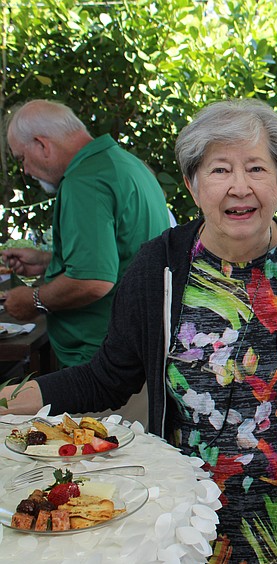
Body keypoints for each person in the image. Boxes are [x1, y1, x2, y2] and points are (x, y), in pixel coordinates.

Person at [0, 99, 277, 564]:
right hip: (186, 524)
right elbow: (106, 376)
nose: (240, 186)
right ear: (194, 185)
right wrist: (7, 400)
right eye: (219, 170)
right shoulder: (160, 265)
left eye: (257, 168)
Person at [2, 100, 171, 367]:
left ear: (42, 145)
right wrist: (48, 261)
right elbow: (119, 253)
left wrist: (34, 300)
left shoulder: (84, 181)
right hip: (138, 346)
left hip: (101, 360)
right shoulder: (123, 162)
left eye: (23, 158)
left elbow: (92, 281)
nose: (25, 170)